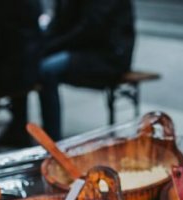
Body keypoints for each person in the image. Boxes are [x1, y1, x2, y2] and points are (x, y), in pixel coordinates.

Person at [36, 0, 135, 139]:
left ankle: (52, 139)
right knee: (28, 63)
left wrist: (50, 46)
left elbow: (91, 30)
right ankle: (18, 129)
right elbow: (60, 23)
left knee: (46, 70)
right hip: (82, 49)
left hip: (106, 56)